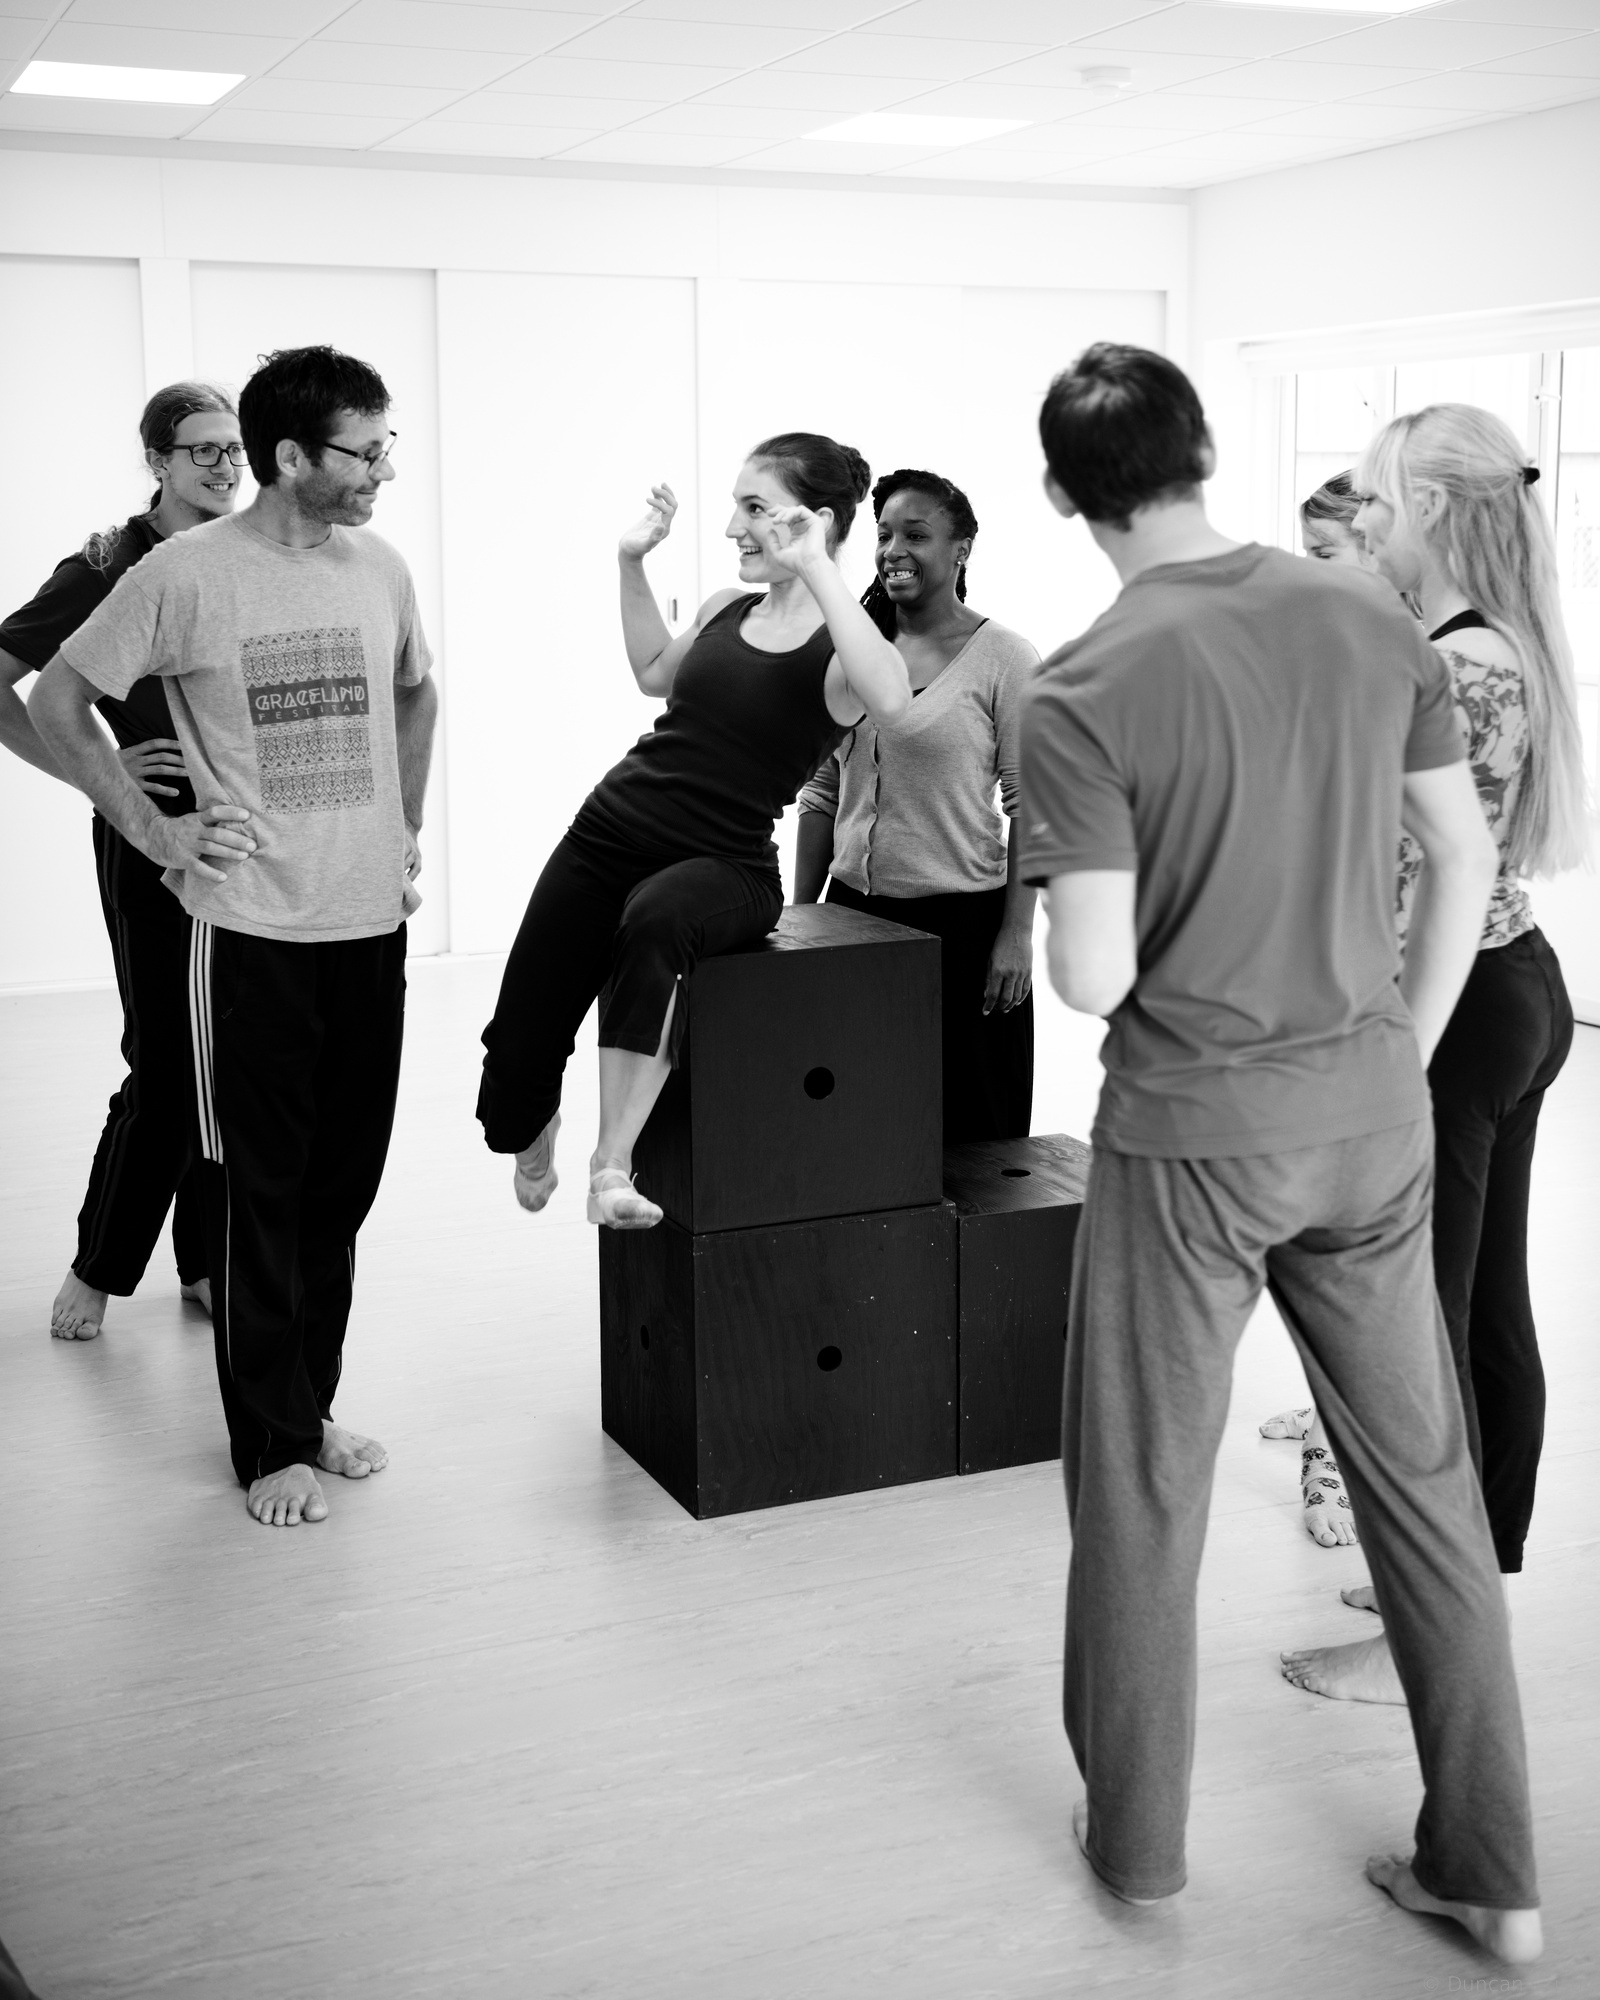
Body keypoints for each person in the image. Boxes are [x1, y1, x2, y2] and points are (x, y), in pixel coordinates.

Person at [1021, 343, 1540, 1964]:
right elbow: (1461, 857)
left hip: (1191, 1139)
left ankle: (1141, 1852)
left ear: (1060, 493)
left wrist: (1059, 905)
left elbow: (1093, 975)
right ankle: (1493, 1875)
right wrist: (1405, 1050)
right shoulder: (1369, 620)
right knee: (1427, 1493)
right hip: (1372, 1114)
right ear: (1202, 452)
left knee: (1144, 1491)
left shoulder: (1081, 687)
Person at [30, 345, 438, 1531]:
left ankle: (310, 1407)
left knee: (338, 1192)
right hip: (249, 931)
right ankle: (270, 1443)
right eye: (367, 451)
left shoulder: (381, 568)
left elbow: (418, 689)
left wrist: (405, 825)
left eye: (388, 446)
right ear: (293, 455)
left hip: (369, 926)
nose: (384, 471)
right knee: (261, 1191)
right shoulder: (184, 573)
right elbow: (58, 697)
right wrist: (155, 831)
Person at [1280, 405, 1583, 1704]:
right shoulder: (1488, 643)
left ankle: (1426, 1641)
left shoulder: (1460, 664)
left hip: (1454, 1012)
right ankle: (1469, 1585)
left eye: (1381, 501)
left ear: (1441, 510)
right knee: (1480, 1309)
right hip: (1509, 989)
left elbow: (1406, 868)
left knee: (1415, 1335)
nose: (1366, 523)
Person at [476, 433, 911, 1228]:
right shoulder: (724, 609)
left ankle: (611, 1166)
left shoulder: (843, 652)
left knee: (657, 922)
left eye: (755, 508)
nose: (734, 527)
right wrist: (630, 562)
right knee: (514, 1057)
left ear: (814, 521)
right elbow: (653, 673)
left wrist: (819, 567)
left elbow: (892, 699)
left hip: (725, 865)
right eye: (736, 507)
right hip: (609, 831)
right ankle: (530, 1123)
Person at [0, 382, 243, 1341]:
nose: (225, 467)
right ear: (157, 461)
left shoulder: (248, 552)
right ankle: (99, 1268)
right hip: (147, 837)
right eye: (202, 450)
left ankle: (205, 1263)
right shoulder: (107, 565)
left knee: (230, 1060)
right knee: (168, 1061)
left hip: (241, 839)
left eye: (235, 448)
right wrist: (94, 774)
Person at [792, 468, 1039, 1142]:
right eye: (883, 535)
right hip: (852, 919)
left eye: (916, 535)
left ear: (961, 551)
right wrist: (801, 917)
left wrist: (1017, 934)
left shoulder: (1006, 659)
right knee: (858, 1128)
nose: (893, 550)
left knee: (973, 1135)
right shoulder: (852, 649)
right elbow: (821, 792)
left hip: (963, 928)